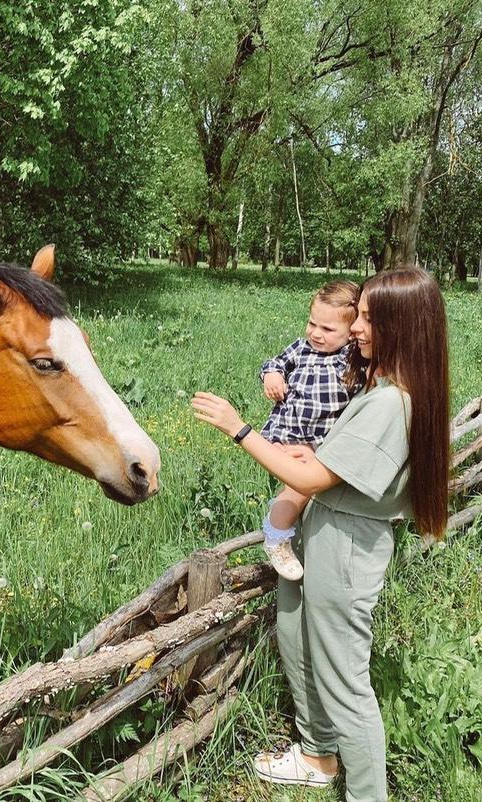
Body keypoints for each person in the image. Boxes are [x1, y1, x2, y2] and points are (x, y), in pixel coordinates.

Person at [191, 266, 449, 802]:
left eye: (370, 318)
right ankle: (316, 755)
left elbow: (310, 480)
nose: (356, 326)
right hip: (324, 526)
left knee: (344, 681)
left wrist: (239, 428)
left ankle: (367, 794)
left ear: (403, 326)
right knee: (297, 635)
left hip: (347, 544)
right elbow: (332, 466)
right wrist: (317, 456)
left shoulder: (389, 402)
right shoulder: (383, 389)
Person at [259, 280, 364, 581]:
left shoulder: (353, 358)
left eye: (328, 329)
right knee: (299, 486)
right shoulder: (301, 349)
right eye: (312, 323)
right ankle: (276, 536)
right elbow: (273, 363)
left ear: (351, 330)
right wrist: (273, 376)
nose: (316, 333)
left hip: (322, 441)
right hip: (288, 433)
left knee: (309, 488)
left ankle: (294, 531)